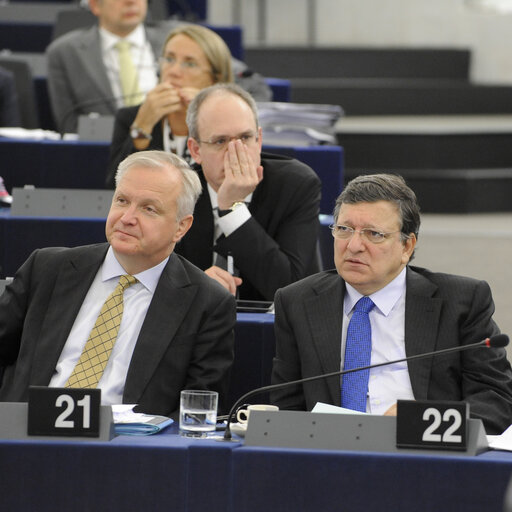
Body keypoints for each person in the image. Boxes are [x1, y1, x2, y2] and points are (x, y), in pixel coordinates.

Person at [270, 173, 512, 434]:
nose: (353, 246)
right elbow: (287, 407)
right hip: (331, 457)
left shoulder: (462, 301)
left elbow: (495, 401)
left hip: (424, 457)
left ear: (407, 246)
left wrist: (416, 422)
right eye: (344, 229)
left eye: (373, 234)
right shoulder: (298, 302)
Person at [0, 150, 236, 418]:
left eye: (149, 208)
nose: (127, 217)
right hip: (24, 433)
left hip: (127, 448)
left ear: (181, 227)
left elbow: (196, 410)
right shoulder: (47, 269)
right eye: (122, 200)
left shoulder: (207, 303)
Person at [176, 82, 322, 301]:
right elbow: (153, 276)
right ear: (196, 150)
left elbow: (290, 289)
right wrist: (196, 287)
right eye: (220, 141)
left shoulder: (295, 185)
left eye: (245, 138)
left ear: (259, 140)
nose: (235, 151)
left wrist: (233, 210)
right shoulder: (179, 189)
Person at [47, 0, 271, 134]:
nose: (132, 1)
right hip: (103, 156)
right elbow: (69, 126)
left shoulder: (178, 37)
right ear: (95, 5)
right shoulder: (65, 52)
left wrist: (209, 105)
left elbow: (252, 84)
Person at [106, 23, 233, 186]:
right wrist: (142, 126)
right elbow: (114, 189)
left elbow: (227, 183)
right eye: (169, 59)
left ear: (215, 79)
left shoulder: (230, 124)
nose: (173, 71)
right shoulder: (131, 117)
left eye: (190, 63)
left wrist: (210, 115)